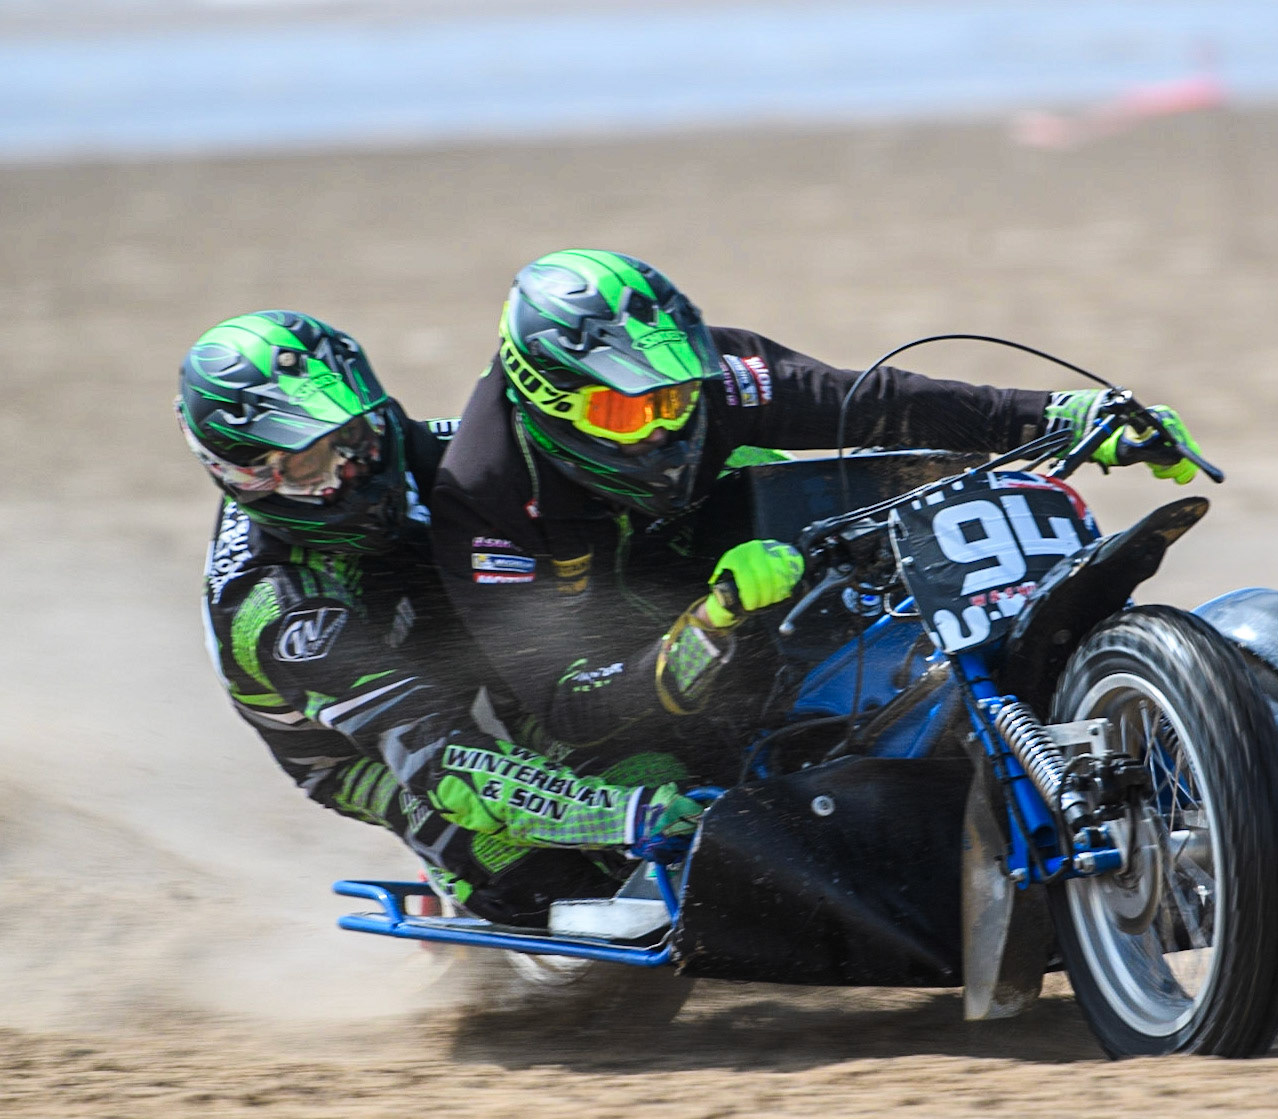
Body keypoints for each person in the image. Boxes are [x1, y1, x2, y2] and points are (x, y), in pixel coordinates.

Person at [428, 248, 1204, 766]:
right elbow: (569, 703)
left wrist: (1068, 416)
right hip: (613, 642)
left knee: (836, 488)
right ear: (549, 399)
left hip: (729, 542)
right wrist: (710, 621)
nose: (664, 426)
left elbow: (887, 404)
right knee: (654, 776)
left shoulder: (722, 377)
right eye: (628, 413)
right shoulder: (485, 500)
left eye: (674, 396)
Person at [177, 309, 702, 924]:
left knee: (667, 764)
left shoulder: (427, 448)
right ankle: (458, 893)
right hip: (364, 750)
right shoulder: (283, 617)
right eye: (308, 462)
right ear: (244, 476)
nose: (353, 468)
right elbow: (444, 764)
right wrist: (627, 817)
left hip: (473, 642)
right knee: (550, 887)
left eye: (354, 432)